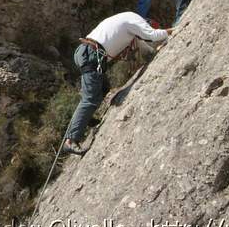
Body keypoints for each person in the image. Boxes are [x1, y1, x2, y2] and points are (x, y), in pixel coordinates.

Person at [62, 11, 171, 154]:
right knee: (90, 99)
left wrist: (154, 52)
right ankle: (71, 140)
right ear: (145, 23)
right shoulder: (134, 21)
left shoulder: (126, 20)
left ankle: (86, 117)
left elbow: (146, 49)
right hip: (91, 54)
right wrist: (175, 30)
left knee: (103, 89)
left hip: (87, 51)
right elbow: (152, 35)